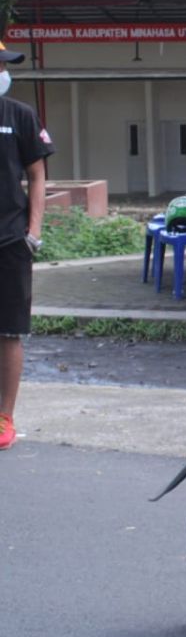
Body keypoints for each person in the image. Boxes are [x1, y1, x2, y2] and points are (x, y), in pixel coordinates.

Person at [0, 41, 54, 451]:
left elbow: (37, 174)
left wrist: (32, 231)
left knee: (9, 331)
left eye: (4, 64)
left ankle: (4, 417)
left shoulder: (19, 115)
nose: (3, 70)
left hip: (9, 239)